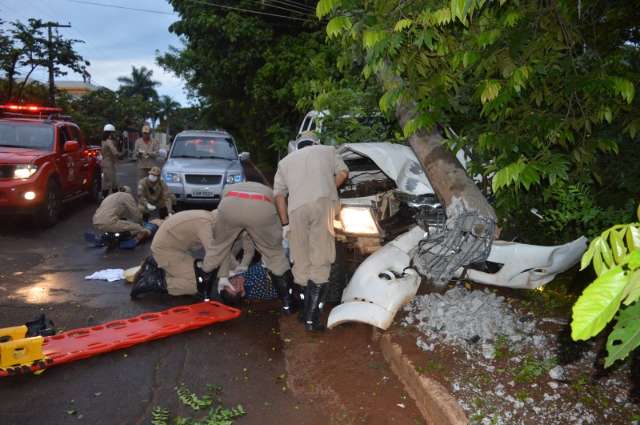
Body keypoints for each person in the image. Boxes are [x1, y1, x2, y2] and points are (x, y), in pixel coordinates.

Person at [273, 131, 349, 331]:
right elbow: (343, 173)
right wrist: (329, 189)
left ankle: (304, 312)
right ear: (316, 142)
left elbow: (279, 195)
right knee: (321, 258)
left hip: (296, 209)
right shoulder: (328, 150)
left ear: (297, 146)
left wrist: (285, 224)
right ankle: (311, 319)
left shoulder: (285, 162)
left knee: (301, 260)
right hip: (322, 204)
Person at [202, 181, 295, 315]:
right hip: (261, 203)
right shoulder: (255, 289)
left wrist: (223, 276)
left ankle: (205, 295)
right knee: (274, 253)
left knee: (217, 248)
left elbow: (226, 247)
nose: (236, 283)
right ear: (243, 292)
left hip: (230, 204)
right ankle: (287, 304)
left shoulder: (243, 278)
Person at [131, 209, 219, 299]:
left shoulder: (209, 218)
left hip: (174, 249)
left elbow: (220, 250)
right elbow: (214, 253)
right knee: (197, 283)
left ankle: (158, 266)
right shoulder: (205, 224)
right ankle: (153, 281)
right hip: (167, 250)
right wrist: (229, 273)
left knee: (199, 273)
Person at [101, 124, 120, 198]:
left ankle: (104, 197)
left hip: (104, 162)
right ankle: (116, 198)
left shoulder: (103, 141)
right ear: (110, 133)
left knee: (105, 182)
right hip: (109, 163)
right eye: (113, 133)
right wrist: (119, 155)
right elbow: (114, 151)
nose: (114, 134)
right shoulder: (109, 141)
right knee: (113, 181)